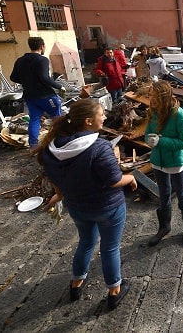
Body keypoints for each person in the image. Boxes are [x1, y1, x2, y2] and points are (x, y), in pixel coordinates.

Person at [36, 99, 137, 309]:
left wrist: (59, 194)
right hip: (107, 207)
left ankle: (76, 283)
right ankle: (114, 291)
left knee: (86, 242)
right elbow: (114, 180)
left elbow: (54, 176)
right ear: (89, 121)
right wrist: (131, 178)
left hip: (77, 207)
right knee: (110, 248)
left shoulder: (51, 147)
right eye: (101, 114)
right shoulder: (99, 147)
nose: (105, 117)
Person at [144, 80, 183, 247]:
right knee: (163, 194)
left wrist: (161, 141)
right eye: (151, 96)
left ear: (164, 97)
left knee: (181, 194)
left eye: (155, 97)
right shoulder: (152, 112)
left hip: (175, 162)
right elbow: (146, 134)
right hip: (157, 161)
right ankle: (164, 227)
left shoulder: (179, 115)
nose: (152, 100)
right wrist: (149, 140)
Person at [10, 36, 64, 149]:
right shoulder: (42, 60)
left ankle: (33, 146)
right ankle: (61, 143)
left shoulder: (20, 60)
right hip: (46, 95)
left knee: (34, 120)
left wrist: (28, 81)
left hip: (30, 96)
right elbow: (44, 77)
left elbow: (13, 77)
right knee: (57, 119)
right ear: (42, 46)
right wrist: (59, 86)